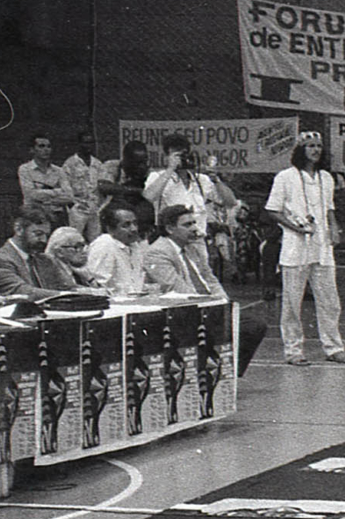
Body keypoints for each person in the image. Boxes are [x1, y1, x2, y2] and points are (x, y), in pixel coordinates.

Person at [143, 205, 270, 377]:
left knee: (255, 326)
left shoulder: (192, 247)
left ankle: (229, 372)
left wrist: (223, 302)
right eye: (187, 225)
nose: (195, 228)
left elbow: (209, 278)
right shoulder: (158, 252)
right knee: (241, 327)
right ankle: (219, 372)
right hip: (183, 309)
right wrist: (211, 307)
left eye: (194, 223)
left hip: (208, 305)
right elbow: (176, 288)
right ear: (170, 228)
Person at [266, 131, 345, 366]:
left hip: (322, 247)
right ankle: (294, 351)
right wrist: (294, 227)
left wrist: (334, 228)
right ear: (300, 149)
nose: (315, 150)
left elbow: (329, 208)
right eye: (310, 146)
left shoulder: (326, 177)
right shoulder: (285, 177)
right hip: (295, 247)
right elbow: (274, 210)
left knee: (330, 301)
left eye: (319, 146)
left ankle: (334, 347)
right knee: (293, 302)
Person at [0, 205, 82, 298]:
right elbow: (24, 292)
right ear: (19, 229)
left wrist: (91, 292)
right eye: (38, 234)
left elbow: (68, 287)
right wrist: (66, 295)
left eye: (46, 235)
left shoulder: (45, 260)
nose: (44, 240)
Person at [145, 134, 236, 232]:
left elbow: (230, 202)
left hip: (198, 237)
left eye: (184, 154)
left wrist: (216, 180)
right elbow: (148, 197)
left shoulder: (202, 180)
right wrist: (170, 168)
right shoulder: (158, 177)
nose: (181, 159)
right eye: (177, 155)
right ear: (167, 157)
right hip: (171, 236)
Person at [85, 201, 148, 296]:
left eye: (135, 223)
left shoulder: (134, 245)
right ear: (110, 229)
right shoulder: (104, 244)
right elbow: (98, 286)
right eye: (126, 225)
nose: (134, 229)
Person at [17, 134, 76, 228]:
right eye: (41, 146)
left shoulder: (58, 171)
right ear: (32, 149)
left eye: (49, 146)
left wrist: (43, 195)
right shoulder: (25, 169)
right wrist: (58, 191)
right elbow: (31, 194)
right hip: (34, 215)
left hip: (57, 216)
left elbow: (69, 196)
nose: (46, 149)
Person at [60, 130, 107, 241]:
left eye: (91, 143)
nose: (88, 146)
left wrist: (100, 207)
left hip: (94, 209)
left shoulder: (97, 164)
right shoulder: (70, 163)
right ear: (79, 144)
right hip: (78, 208)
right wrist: (73, 205)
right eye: (85, 142)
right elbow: (65, 185)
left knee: (95, 239)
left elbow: (103, 185)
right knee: (75, 238)